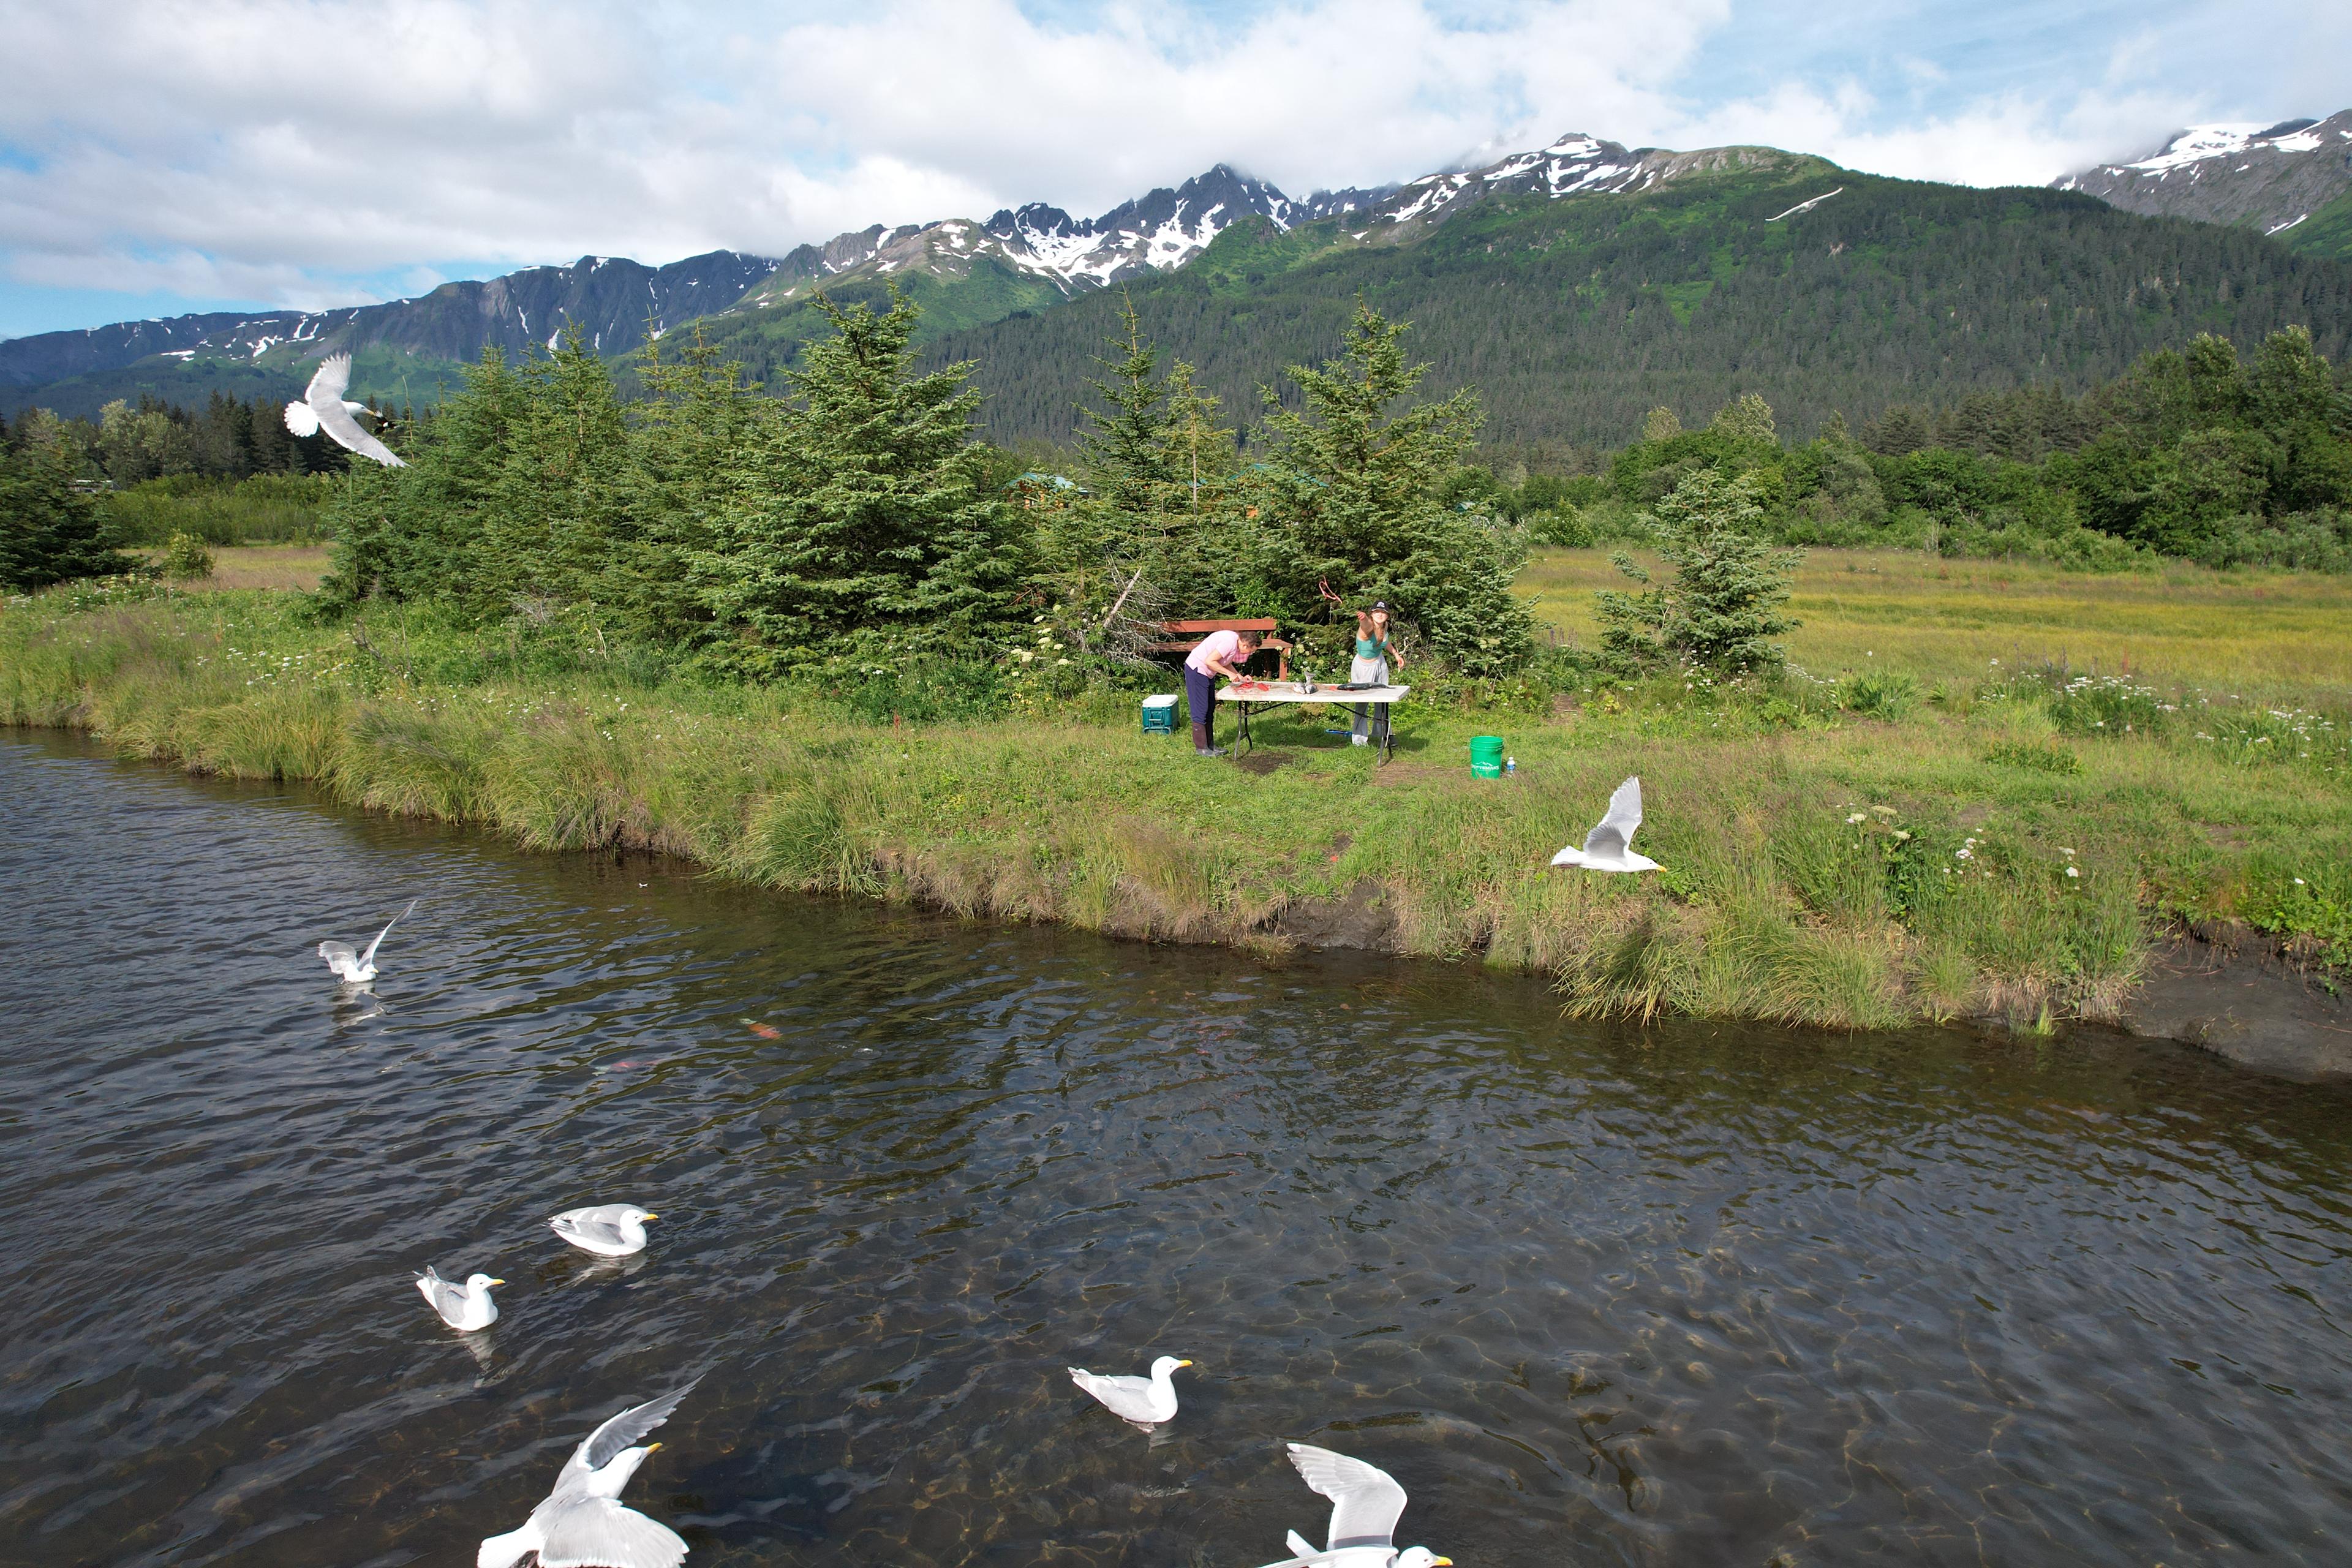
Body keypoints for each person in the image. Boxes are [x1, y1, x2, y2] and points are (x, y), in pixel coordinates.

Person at [1182, 626, 1287, 756]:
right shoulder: (1229, 642)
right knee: (1201, 709)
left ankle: (1210, 745)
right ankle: (1201, 748)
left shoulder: (1235, 642)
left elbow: (1225, 663)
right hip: (1197, 671)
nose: (1249, 654)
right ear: (1245, 644)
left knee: (1210, 708)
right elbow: (1209, 661)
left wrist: (1240, 677)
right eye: (1250, 651)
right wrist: (1228, 674)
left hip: (1207, 674)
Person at [1321, 587, 1404, 747]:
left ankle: (1384, 734)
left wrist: (1396, 654)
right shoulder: (1366, 628)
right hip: (1363, 667)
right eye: (1377, 612)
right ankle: (1359, 740)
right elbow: (1366, 626)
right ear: (1372, 614)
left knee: (1383, 701)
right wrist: (1363, 618)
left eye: (1383, 612)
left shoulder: (1384, 627)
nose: (1380, 615)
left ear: (1387, 615)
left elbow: (1385, 642)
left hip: (1380, 664)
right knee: (1362, 703)